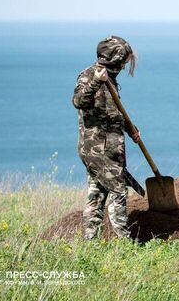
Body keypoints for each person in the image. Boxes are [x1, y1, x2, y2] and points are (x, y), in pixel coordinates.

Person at [72, 35, 140, 239]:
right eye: (124, 60)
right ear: (115, 58)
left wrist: (131, 129)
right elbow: (78, 100)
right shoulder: (90, 75)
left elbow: (114, 112)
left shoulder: (110, 78)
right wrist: (95, 81)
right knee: (118, 192)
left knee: (97, 194)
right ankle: (123, 244)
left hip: (109, 148)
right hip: (99, 149)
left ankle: (90, 242)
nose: (126, 64)